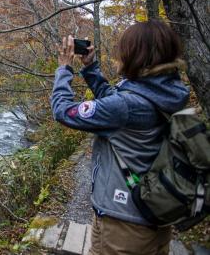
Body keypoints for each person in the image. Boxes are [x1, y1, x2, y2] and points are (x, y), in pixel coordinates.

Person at [50, 20, 190, 255]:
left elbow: (63, 111)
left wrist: (64, 69)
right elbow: (116, 105)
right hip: (155, 213)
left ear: (136, 55)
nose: (118, 56)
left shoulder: (126, 106)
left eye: (123, 50)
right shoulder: (170, 91)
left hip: (124, 224)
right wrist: (91, 69)